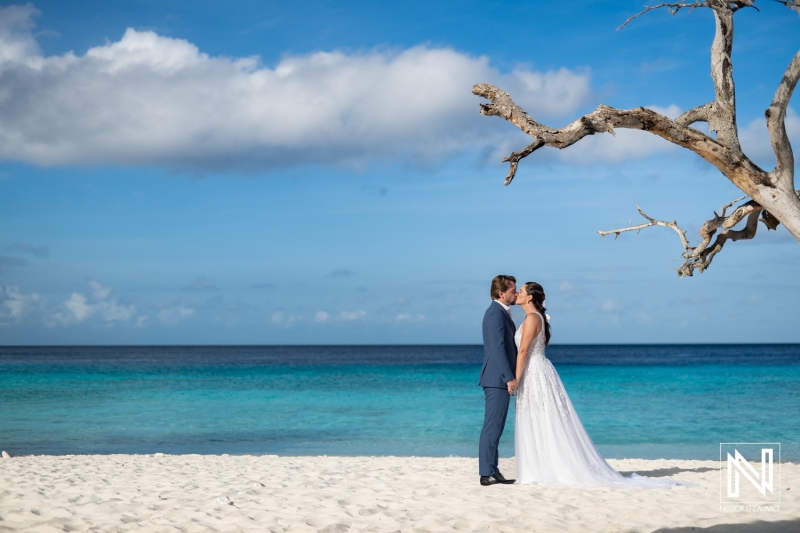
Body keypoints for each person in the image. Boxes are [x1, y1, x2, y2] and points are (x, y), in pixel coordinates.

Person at [513, 281, 686, 488]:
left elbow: (523, 351)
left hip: (535, 371)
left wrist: (516, 378)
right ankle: (540, 466)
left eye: (521, 291)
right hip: (538, 370)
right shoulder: (533, 317)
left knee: (541, 416)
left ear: (529, 297)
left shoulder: (532, 318)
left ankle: (544, 468)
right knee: (539, 417)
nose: (517, 293)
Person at [478, 275, 518, 486]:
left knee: (497, 427)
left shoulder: (500, 312)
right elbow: (497, 348)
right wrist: (508, 378)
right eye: (513, 290)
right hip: (496, 379)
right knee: (492, 427)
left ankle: (493, 470)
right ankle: (486, 473)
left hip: (497, 378)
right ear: (501, 293)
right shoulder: (494, 314)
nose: (516, 293)